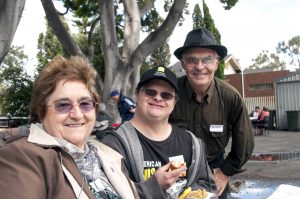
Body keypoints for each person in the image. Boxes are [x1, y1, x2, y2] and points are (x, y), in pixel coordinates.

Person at [0, 55, 141, 198]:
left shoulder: (104, 153)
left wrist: (156, 182)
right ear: (41, 111)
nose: (77, 114)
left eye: (85, 104)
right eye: (63, 105)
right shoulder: (23, 156)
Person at [102, 66, 217, 199]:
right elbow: (107, 194)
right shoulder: (113, 144)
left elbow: (207, 184)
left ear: (175, 102)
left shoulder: (191, 142)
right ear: (136, 96)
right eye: (150, 92)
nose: (158, 98)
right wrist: (154, 186)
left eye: (166, 95)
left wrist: (194, 195)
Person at [169, 28, 255, 198]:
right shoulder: (169, 93)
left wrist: (224, 172)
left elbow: (245, 143)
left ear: (216, 63)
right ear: (183, 63)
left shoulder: (230, 97)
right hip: (174, 168)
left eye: (207, 59)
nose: (200, 67)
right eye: (192, 60)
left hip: (214, 169)